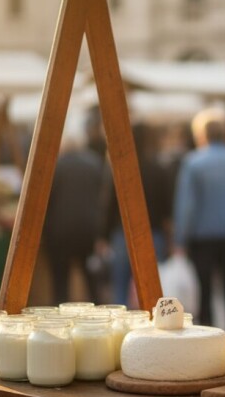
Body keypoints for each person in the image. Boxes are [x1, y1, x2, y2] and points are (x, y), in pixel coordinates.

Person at [173, 108, 225, 338]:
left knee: (205, 292)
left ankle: (208, 339)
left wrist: (180, 238)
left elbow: (186, 205)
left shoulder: (193, 163)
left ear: (201, 135)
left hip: (203, 237)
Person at [99, 123, 174, 307]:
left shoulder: (119, 168)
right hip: (152, 233)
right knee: (152, 291)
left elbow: (108, 204)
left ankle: (122, 332)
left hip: (123, 234)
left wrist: (102, 235)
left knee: (120, 287)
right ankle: (152, 330)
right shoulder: (158, 168)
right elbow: (167, 207)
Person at [44, 133, 105, 305]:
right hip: (88, 230)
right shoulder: (94, 164)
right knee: (92, 280)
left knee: (60, 282)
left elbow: (47, 201)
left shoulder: (56, 166)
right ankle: (99, 314)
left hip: (60, 231)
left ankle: (60, 316)